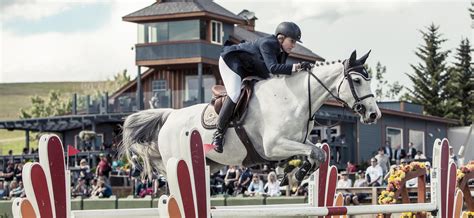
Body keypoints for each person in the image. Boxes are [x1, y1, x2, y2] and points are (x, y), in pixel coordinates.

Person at [210, 22, 312, 153]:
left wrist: (300, 72)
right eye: (292, 41)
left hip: (249, 68)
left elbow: (278, 77)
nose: (294, 45)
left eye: (295, 42)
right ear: (281, 38)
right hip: (231, 62)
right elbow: (273, 69)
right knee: (234, 94)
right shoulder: (268, 44)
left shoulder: (282, 51)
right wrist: (297, 67)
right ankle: (218, 134)